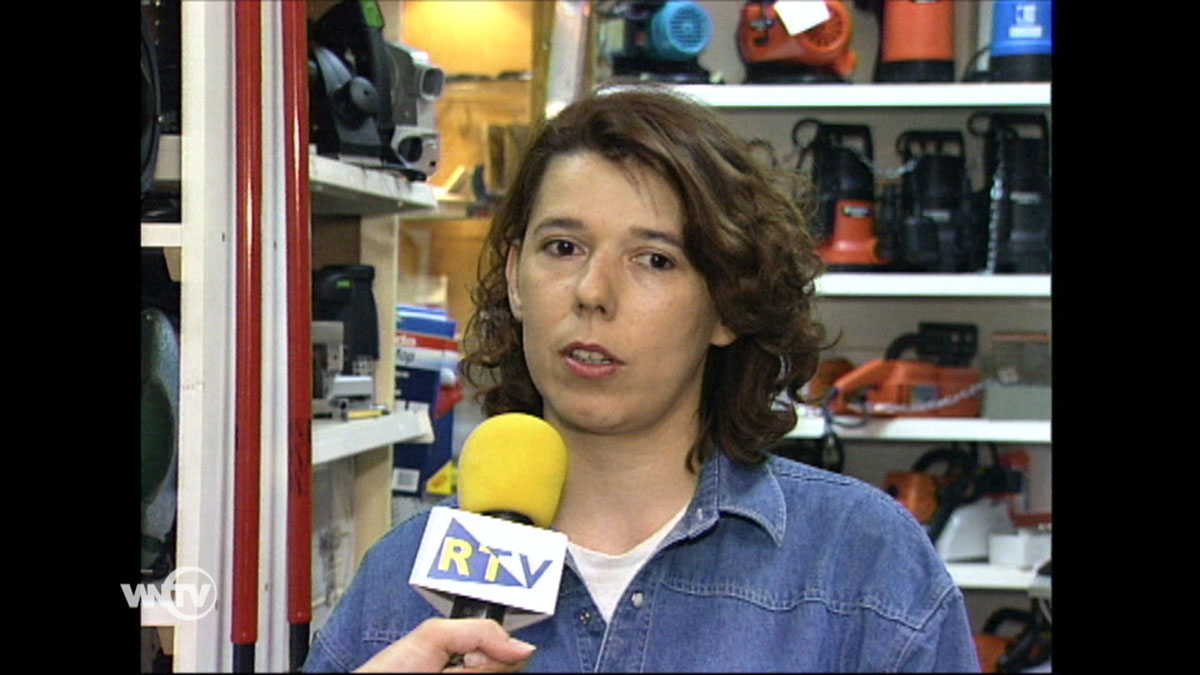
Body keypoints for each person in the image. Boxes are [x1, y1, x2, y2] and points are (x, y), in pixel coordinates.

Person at [303, 85, 980, 673]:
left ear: (727, 304)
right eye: (563, 247)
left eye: (654, 259)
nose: (593, 291)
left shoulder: (863, 568)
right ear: (514, 277)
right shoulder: (400, 583)